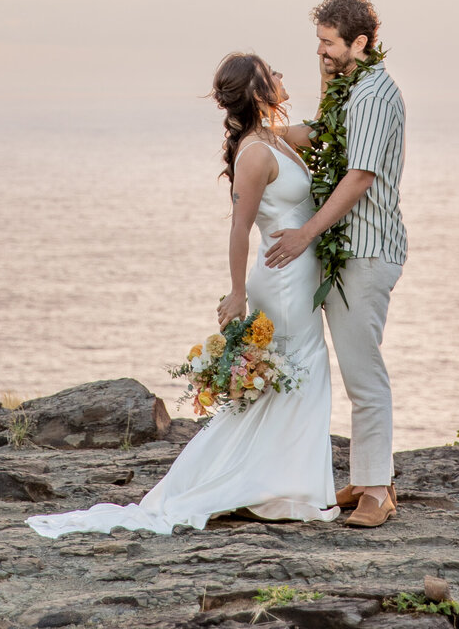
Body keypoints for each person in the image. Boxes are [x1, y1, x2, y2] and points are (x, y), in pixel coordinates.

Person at [25, 52, 339, 538]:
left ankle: (282, 486)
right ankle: (281, 488)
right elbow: (239, 228)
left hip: (296, 273)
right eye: (272, 72)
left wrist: (330, 71)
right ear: (258, 89)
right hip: (281, 277)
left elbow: (324, 128)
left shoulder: (275, 137)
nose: (281, 75)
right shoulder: (254, 153)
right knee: (304, 370)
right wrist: (237, 293)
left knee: (294, 376)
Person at [265, 0, 406, 528]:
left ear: (361, 43)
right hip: (346, 250)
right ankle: (372, 478)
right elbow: (320, 139)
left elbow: (359, 177)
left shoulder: (372, 95)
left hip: (365, 250)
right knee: (355, 368)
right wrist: (261, 136)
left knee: (363, 372)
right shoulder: (349, 87)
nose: (320, 51)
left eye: (329, 43)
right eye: (318, 41)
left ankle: (377, 493)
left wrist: (304, 234)